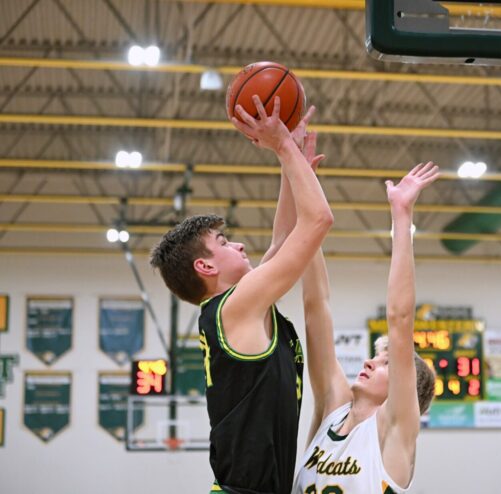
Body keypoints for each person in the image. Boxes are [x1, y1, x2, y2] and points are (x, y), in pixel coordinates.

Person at [149, 95, 333, 494]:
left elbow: (284, 239)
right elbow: (318, 219)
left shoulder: (238, 307)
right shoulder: (235, 307)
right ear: (206, 266)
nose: (238, 247)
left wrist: (293, 162)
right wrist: (284, 147)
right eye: (224, 242)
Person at [293, 162, 440, 494]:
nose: (371, 362)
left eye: (387, 363)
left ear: (406, 390)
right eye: (378, 357)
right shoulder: (332, 409)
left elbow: (400, 321)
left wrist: (401, 215)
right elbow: (315, 308)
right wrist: (301, 180)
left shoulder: (393, 428)